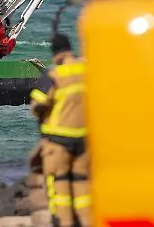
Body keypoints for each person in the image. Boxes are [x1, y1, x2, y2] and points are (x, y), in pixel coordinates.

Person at [30, 33, 90, 227]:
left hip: (59, 138)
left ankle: (64, 221)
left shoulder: (55, 74)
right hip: (85, 138)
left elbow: (38, 104)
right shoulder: (88, 69)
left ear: (55, 53)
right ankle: (86, 221)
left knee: (60, 182)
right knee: (82, 184)